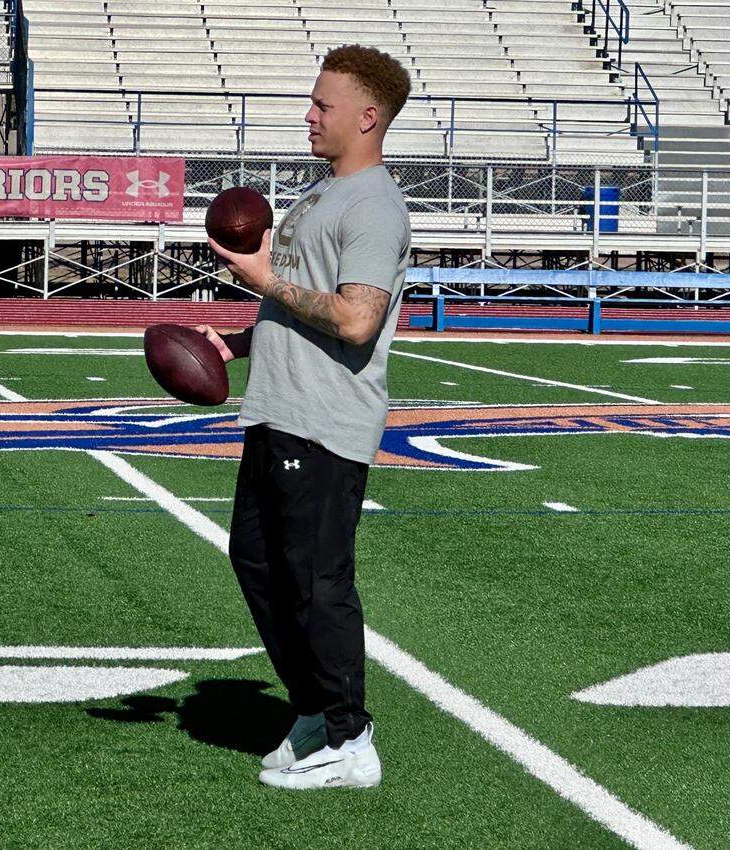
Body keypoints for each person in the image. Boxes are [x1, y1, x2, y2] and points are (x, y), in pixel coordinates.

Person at [197, 44, 412, 790]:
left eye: (323, 105)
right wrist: (238, 340)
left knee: (318, 580)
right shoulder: (320, 195)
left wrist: (263, 279)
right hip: (278, 409)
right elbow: (301, 300)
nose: (309, 115)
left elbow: (355, 319)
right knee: (258, 562)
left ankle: (351, 740)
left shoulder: (374, 205)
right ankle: (315, 711)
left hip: (326, 419)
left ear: (367, 116)